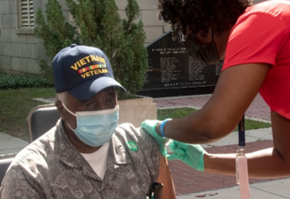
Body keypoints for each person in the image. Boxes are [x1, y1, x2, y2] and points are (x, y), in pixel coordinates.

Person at [0, 44, 176, 198]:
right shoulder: (29, 175)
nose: (103, 111)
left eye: (110, 100)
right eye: (88, 103)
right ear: (62, 109)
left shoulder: (141, 147)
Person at [141, 0, 290, 179]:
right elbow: (285, 160)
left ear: (204, 22)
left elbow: (213, 125)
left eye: (186, 32)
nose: (189, 42)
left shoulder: (258, 21)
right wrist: (206, 161)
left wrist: (161, 128)